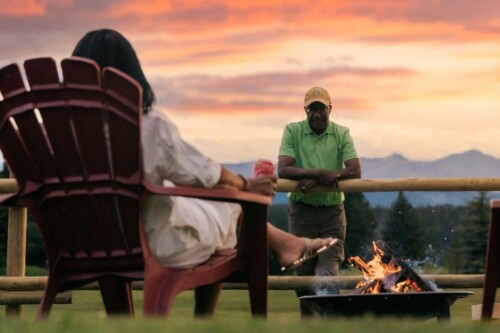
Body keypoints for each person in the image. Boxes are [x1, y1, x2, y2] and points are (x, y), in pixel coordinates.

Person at [71, 29, 335, 276]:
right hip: (153, 246)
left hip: (80, 243)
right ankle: (283, 247)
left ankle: (287, 244)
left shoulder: (57, 134)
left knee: (219, 207)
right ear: (132, 76)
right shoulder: (148, 127)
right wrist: (245, 184)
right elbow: (202, 172)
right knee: (230, 207)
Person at [278, 86, 361, 314]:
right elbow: (283, 169)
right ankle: (310, 324)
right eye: (311, 109)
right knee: (302, 277)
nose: (316, 114)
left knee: (327, 274)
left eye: (321, 108)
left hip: (332, 213)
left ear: (330, 109)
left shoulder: (341, 133)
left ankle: (330, 324)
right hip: (301, 213)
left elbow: (355, 170)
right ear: (305, 110)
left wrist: (321, 178)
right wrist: (317, 174)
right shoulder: (292, 131)